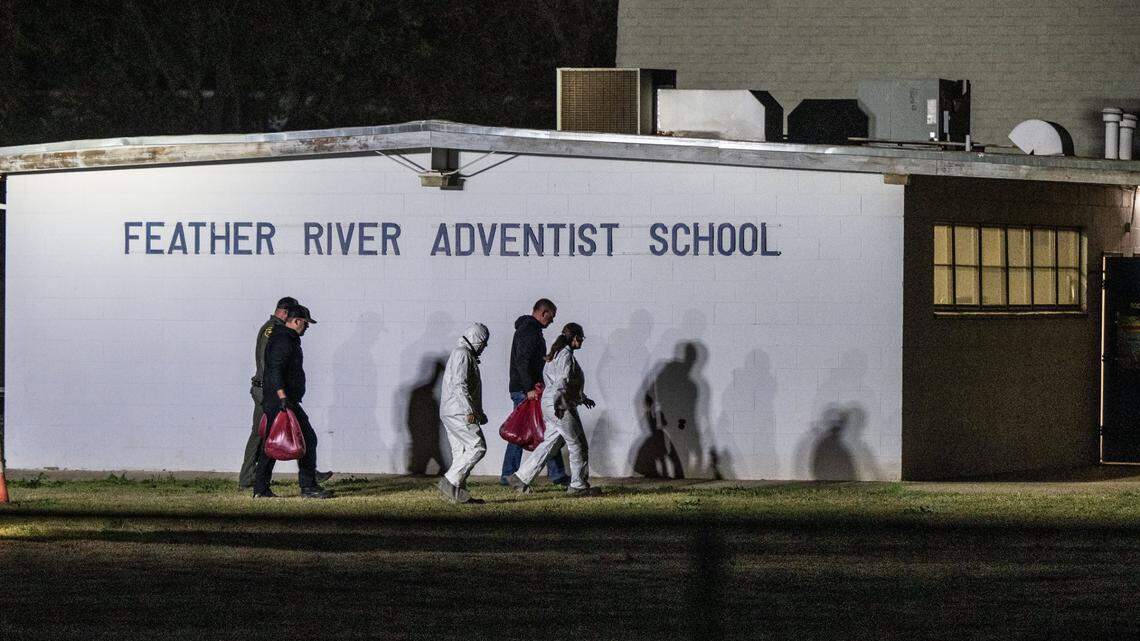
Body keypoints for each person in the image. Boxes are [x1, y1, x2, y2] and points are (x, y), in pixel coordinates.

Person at [239, 297, 331, 489]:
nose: (305, 327)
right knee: (262, 435)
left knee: (270, 436)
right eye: (304, 322)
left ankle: (263, 484)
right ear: (285, 313)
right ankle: (248, 478)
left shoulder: (282, 333)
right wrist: (278, 391)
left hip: (272, 390)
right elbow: (271, 365)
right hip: (268, 390)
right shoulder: (274, 331)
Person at [508, 322, 600, 497]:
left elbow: (560, 382)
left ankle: (520, 477)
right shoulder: (566, 355)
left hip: (550, 402)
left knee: (551, 443)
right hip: (561, 404)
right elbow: (563, 382)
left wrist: (582, 398)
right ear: (574, 338)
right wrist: (560, 404)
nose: (582, 342)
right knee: (578, 444)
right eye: (581, 338)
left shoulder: (555, 354)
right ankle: (578, 485)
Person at [500, 299, 570, 486]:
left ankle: (555, 474)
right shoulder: (529, 331)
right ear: (543, 312)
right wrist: (529, 388)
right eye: (551, 317)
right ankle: (511, 475)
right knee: (529, 431)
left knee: (542, 430)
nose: (552, 321)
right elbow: (522, 362)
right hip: (526, 391)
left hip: (527, 389)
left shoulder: (530, 329)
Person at [437, 323, 490, 504]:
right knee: (477, 447)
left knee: (461, 452)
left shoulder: (463, 354)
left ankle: (459, 494)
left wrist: (478, 412)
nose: (485, 346)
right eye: (484, 342)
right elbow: (460, 385)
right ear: (476, 340)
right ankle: (450, 481)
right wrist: (469, 411)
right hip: (458, 411)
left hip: (452, 410)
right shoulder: (463, 354)